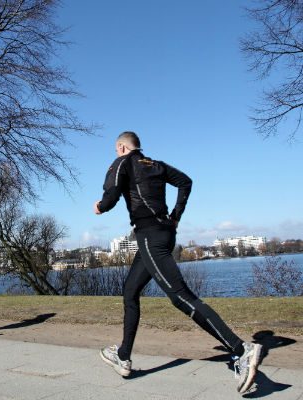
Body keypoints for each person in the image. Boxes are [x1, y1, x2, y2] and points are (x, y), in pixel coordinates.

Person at [94, 131, 262, 394]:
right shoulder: (156, 165)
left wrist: (101, 206)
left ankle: (242, 350)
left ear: (122, 147)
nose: (116, 153)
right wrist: (176, 216)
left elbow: (112, 192)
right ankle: (123, 355)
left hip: (149, 236)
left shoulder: (123, 162)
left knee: (180, 297)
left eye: (116, 150)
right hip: (163, 233)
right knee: (130, 291)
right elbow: (185, 181)